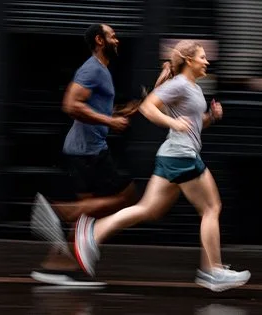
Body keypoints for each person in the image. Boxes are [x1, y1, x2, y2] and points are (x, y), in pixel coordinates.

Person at [72, 40, 251, 292]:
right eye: (202, 57)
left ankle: (93, 233)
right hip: (182, 156)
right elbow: (148, 107)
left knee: (148, 209)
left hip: (172, 155)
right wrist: (173, 123)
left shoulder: (192, 87)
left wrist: (211, 117)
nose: (207, 61)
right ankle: (212, 271)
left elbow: (193, 124)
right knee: (212, 207)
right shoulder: (179, 84)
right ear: (189, 60)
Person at [30, 23, 139, 286]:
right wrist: (110, 121)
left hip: (86, 150)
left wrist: (120, 112)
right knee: (126, 197)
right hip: (87, 152)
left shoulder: (102, 70)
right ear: (100, 40)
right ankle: (57, 213)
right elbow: (71, 104)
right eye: (112, 36)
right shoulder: (92, 69)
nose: (117, 40)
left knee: (87, 216)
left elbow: (93, 109)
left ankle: (59, 267)